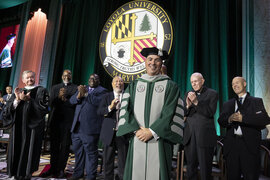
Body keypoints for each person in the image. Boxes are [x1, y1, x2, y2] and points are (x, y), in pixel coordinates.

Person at [116, 47, 184, 180]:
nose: (153, 63)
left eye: (157, 60)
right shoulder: (134, 85)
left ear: (161, 64)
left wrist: (152, 132)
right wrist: (137, 131)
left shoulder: (171, 86)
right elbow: (126, 109)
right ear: (145, 62)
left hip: (160, 139)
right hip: (137, 138)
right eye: (150, 59)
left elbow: (170, 112)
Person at [218, 76, 270, 180]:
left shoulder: (256, 101)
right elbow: (220, 120)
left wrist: (243, 119)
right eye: (232, 84)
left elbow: (264, 119)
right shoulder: (228, 103)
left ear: (244, 83)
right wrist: (229, 119)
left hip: (249, 147)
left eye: (237, 82)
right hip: (232, 146)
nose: (235, 85)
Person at [2, 70, 49, 180]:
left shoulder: (41, 91)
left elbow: (44, 108)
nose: (29, 79)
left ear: (35, 77)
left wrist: (29, 100)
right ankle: (16, 174)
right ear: (23, 80)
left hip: (32, 129)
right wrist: (17, 100)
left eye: (31, 77)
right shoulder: (19, 91)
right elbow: (8, 110)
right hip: (18, 127)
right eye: (27, 78)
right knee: (16, 150)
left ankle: (27, 174)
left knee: (29, 151)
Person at [69, 74, 107, 180]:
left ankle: (91, 176)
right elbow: (71, 101)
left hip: (90, 128)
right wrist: (78, 96)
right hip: (77, 127)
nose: (92, 80)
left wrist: (85, 94)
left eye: (95, 79)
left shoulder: (102, 91)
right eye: (90, 78)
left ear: (99, 81)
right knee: (78, 152)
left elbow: (98, 102)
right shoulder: (83, 88)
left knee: (91, 153)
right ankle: (78, 173)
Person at [41, 70, 77, 178]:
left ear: (71, 76)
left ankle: (61, 169)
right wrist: (58, 97)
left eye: (69, 75)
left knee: (65, 147)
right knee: (54, 146)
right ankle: (52, 168)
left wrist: (65, 99)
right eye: (65, 75)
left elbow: (75, 104)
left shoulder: (75, 88)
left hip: (68, 122)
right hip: (55, 122)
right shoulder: (55, 87)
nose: (67, 76)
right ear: (62, 76)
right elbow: (51, 103)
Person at [183, 72, 218, 180]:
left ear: (202, 81)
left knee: (205, 169)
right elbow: (184, 114)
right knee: (190, 168)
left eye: (196, 81)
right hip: (190, 136)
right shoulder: (188, 93)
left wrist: (196, 102)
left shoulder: (212, 93)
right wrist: (188, 106)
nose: (193, 84)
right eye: (192, 82)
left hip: (204, 137)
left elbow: (210, 112)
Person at [97, 76, 128, 180]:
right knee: (107, 160)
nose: (118, 83)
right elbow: (100, 111)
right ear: (112, 84)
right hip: (108, 133)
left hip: (123, 133)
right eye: (116, 81)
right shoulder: (107, 96)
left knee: (123, 161)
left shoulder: (128, 96)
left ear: (124, 84)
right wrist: (110, 107)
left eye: (120, 81)